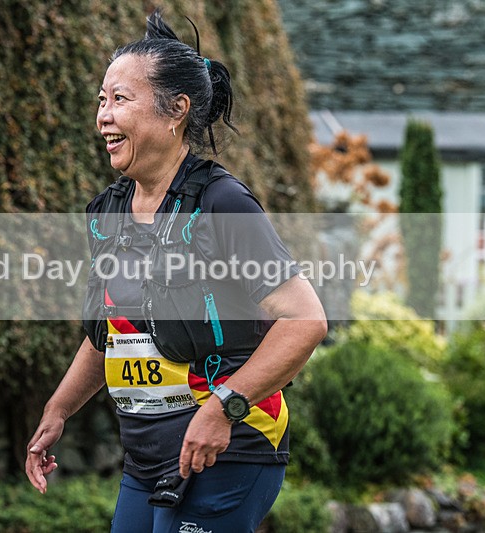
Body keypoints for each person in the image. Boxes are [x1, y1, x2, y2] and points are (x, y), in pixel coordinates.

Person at [26, 9, 327, 532]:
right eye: (101, 100)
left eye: (120, 99)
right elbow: (113, 333)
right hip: (146, 463)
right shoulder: (109, 213)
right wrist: (58, 410)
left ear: (176, 111)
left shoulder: (221, 203)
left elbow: (305, 320)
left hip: (230, 447)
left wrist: (221, 409)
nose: (103, 116)